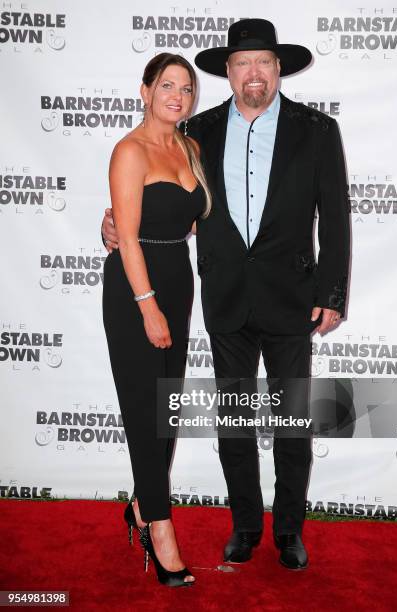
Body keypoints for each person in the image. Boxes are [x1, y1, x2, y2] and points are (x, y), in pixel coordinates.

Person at [102, 19, 350, 571]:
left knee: (289, 422)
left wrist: (332, 291)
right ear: (229, 73)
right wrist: (113, 220)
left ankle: (288, 531)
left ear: (278, 68)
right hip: (224, 297)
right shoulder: (199, 133)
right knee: (233, 422)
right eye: (242, 63)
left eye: (263, 61)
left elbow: (334, 216)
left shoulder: (317, 130)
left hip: (291, 300)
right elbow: (161, 196)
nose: (253, 72)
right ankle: (244, 528)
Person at [102, 52, 211, 587]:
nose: (177, 95)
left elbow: (188, 222)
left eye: (186, 88)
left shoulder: (190, 148)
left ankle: (141, 506)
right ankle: (160, 526)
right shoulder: (130, 151)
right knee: (145, 409)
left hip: (179, 280)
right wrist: (148, 307)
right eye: (166, 85)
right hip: (135, 287)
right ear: (144, 91)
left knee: (165, 408)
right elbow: (124, 235)